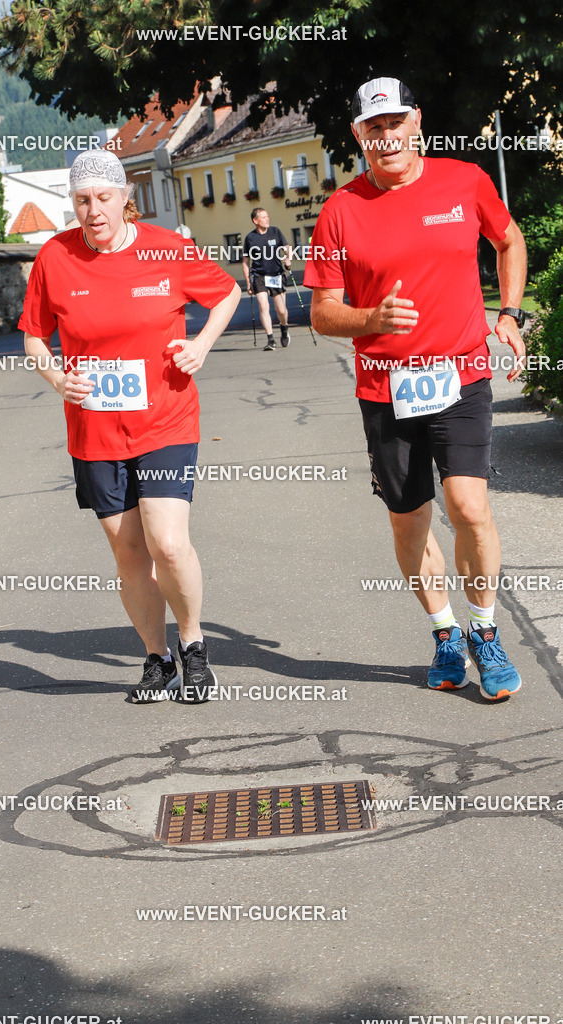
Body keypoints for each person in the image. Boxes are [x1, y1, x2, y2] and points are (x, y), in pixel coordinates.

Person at [305, 77, 528, 701]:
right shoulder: (340, 210)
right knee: (410, 522)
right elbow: (322, 312)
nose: (387, 136)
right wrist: (369, 320)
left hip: (460, 375)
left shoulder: (465, 181)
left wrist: (508, 313)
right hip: (386, 390)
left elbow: (508, 240)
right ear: (358, 135)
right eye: (373, 127)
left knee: (471, 510)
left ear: (417, 123)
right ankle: (444, 632)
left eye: (395, 122)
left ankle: (484, 629)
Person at [19, 149, 240, 704]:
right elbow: (33, 336)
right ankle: (156, 657)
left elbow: (228, 292)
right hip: (95, 431)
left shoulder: (166, 248)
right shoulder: (55, 257)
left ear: (124, 199)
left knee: (168, 542)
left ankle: (192, 645)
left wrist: (200, 345)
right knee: (129, 553)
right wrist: (55, 377)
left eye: (102, 198)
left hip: (165, 418)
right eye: (82, 201)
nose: (93, 211)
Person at [242, 208, 292, 350]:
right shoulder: (250, 238)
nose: (267, 219)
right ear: (255, 221)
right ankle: (270, 339)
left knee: (281, 310)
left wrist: (288, 259)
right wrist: (248, 283)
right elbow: (245, 261)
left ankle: (284, 328)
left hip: (276, 274)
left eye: (267, 216)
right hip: (259, 276)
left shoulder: (275, 232)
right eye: (263, 217)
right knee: (263, 306)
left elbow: (287, 247)